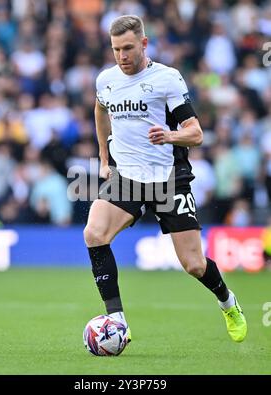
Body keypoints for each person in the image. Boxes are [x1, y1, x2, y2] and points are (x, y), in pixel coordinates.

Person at [83, 15, 247, 344]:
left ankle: (228, 303)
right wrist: (103, 155)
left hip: (168, 180)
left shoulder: (167, 79)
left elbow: (196, 134)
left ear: (144, 44)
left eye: (128, 48)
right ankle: (117, 320)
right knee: (94, 233)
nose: (122, 56)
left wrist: (170, 136)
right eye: (116, 49)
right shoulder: (106, 80)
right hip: (127, 176)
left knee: (193, 264)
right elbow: (100, 110)